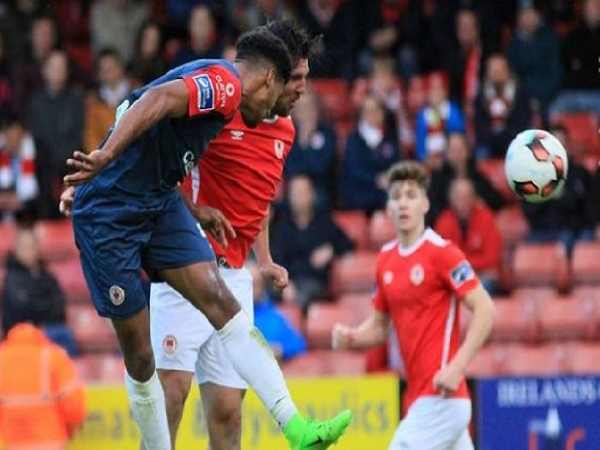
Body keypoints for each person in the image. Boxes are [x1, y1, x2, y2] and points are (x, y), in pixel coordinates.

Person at [59, 27, 350, 450]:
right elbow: (153, 101)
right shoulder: (226, 86)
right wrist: (103, 159)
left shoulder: (245, 108)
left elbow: (139, 106)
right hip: (110, 216)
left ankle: (296, 429)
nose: (281, 105)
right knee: (141, 357)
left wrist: (195, 211)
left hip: (159, 201)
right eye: (286, 85)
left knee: (223, 305)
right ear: (268, 79)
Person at [146, 21, 344, 450]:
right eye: (295, 80)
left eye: (306, 80)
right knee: (172, 396)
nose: (301, 91)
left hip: (234, 274)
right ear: (270, 77)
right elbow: (168, 167)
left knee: (227, 411)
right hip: (185, 269)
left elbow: (259, 197)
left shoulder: (285, 131)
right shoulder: (220, 110)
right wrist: (193, 213)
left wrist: (265, 258)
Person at [332, 161, 495, 450]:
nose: (403, 203)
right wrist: (352, 337)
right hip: (420, 398)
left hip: (442, 396)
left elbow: (485, 309)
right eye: (396, 196)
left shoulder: (442, 253)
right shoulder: (385, 260)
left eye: (411, 195)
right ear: (388, 209)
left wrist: (457, 367)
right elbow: (380, 327)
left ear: (425, 204)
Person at [0, 315, 86, 450]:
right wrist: (70, 430)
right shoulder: (54, 356)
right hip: (50, 442)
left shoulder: (2, 357)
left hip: (12, 443)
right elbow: (73, 404)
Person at [273, 175, 354, 312]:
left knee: (306, 295)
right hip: (288, 283)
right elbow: (276, 261)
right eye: (294, 193)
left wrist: (331, 249)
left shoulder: (323, 222)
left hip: (315, 284)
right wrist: (286, 284)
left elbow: (349, 244)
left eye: (302, 192)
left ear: (311, 194)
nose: (298, 197)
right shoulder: (282, 227)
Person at [1, 222, 77, 355]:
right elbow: (19, 309)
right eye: (24, 247)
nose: (29, 251)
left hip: (48, 329)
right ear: (17, 249)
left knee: (64, 335)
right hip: (20, 333)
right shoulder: (11, 278)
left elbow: (59, 305)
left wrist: (36, 306)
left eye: (31, 246)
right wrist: (43, 308)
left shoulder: (47, 276)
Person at [27, 50, 84, 217]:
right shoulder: (35, 101)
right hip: (43, 170)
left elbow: (78, 136)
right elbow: (35, 137)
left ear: (67, 71)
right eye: (53, 67)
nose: (57, 71)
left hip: (69, 168)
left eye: (61, 67)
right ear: (44, 70)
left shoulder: (76, 100)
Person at [435, 178, 502, 295]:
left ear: (474, 198)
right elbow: (443, 261)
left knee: (485, 284)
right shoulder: (443, 221)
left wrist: (461, 264)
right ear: (451, 199)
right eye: (459, 197)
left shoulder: (486, 218)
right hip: (455, 278)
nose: (463, 201)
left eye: (467, 196)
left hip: (481, 278)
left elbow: (492, 258)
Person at [340, 94, 400, 213]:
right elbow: (354, 170)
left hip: (385, 193)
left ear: (383, 113)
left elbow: (396, 164)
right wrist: (376, 179)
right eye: (367, 111)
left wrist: (388, 177)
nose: (372, 115)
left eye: (375, 110)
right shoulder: (354, 139)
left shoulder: (390, 138)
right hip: (359, 195)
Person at [428, 132, 503, 223]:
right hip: (448, 226)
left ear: (467, 152)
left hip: (476, 225)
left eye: (460, 150)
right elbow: (432, 208)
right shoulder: (438, 178)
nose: (457, 155)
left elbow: (497, 201)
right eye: (453, 150)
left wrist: (479, 202)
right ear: (446, 154)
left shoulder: (477, 175)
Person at [286, 87, 337, 208]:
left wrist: (308, 140)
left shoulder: (328, 133)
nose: (306, 113)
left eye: (309, 107)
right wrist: (303, 141)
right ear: (295, 112)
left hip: (320, 190)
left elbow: (323, 168)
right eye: (302, 108)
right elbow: (290, 169)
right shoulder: (288, 134)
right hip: (295, 191)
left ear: (316, 109)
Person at [507, 6, 561, 117]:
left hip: (549, 95)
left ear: (538, 18)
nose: (529, 19)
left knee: (556, 112)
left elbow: (555, 72)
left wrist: (541, 98)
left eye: (532, 15)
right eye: (525, 15)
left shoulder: (550, 39)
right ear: (519, 19)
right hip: (524, 97)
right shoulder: (513, 45)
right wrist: (527, 98)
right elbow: (513, 75)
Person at [474, 53, 531, 158]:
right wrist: (492, 137)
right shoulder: (481, 96)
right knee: (481, 153)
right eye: (493, 70)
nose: (496, 74)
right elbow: (479, 125)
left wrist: (507, 136)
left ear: (507, 71)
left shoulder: (520, 94)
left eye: (499, 70)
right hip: (488, 142)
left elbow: (523, 122)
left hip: (513, 140)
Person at [250, 262, 307, 361]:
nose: (251, 290)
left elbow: (298, 345)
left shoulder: (274, 317)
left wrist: (281, 350)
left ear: (262, 286)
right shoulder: (225, 315)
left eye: (255, 284)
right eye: (249, 284)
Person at [84, 48, 131, 152]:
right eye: (104, 70)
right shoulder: (93, 101)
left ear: (121, 68)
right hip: (105, 161)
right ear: (99, 74)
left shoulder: (138, 94)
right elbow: (91, 137)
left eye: (112, 67)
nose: (109, 72)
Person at [415, 72, 465, 162]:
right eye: (432, 89)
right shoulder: (422, 114)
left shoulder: (453, 111)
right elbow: (420, 142)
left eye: (439, 88)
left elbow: (457, 136)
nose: (436, 93)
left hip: (450, 159)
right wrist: (425, 158)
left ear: (445, 91)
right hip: (429, 161)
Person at [0, 113, 39, 219]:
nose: (13, 143)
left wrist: (22, 200)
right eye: (9, 138)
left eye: (16, 137)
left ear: (23, 136)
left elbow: (44, 195)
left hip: (28, 217)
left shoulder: (37, 157)